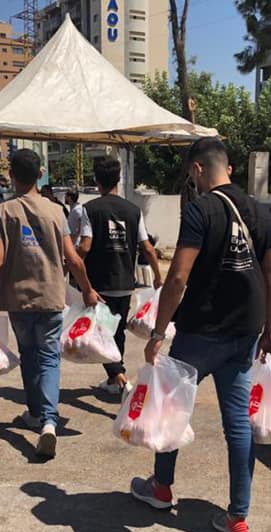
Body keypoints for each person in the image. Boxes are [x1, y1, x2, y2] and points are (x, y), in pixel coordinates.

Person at [129, 138, 271, 532]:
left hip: (199, 334)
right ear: (228, 168)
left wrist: (158, 333)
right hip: (244, 333)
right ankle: (239, 519)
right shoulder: (260, 213)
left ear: (197, 170)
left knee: (172, 410)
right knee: (238, 425)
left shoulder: (199, 210)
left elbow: (177, 277)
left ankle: (161, 489)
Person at [0, 149, 100, 460]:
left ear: (11, 175)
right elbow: (73, 258)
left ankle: (36, 413)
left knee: (29, 354)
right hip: (52, 296)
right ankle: (49, 422)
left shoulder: (2, 212)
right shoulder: (57, 211)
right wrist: (88, 290)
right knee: (50, 358)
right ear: (41, 174)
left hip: (18, 298)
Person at [78, 156, 163, 396]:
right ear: (119, 179)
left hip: (100, 285)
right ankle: (115, 379)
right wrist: (157, 276)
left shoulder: (90, 209)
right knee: (116, 333)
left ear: (96, 180)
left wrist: (71, 265)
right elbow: (147, 247)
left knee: (103, 334)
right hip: (125, 283)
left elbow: (84, 246)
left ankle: (122, 380)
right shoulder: (134, 210)